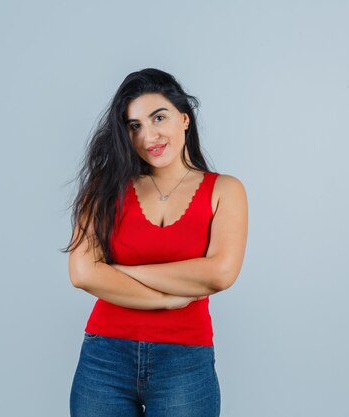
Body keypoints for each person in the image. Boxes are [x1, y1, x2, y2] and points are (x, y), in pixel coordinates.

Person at [64, 68, 248, 417]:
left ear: (183, 118)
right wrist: (172, 298)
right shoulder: (105, 188)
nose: (149, 135)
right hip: (105, 358)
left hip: (185, 360)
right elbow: (83, 274)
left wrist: (116, 271)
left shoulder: (225, 190)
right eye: (134, 126)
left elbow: (220, 273)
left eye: (158, 117)